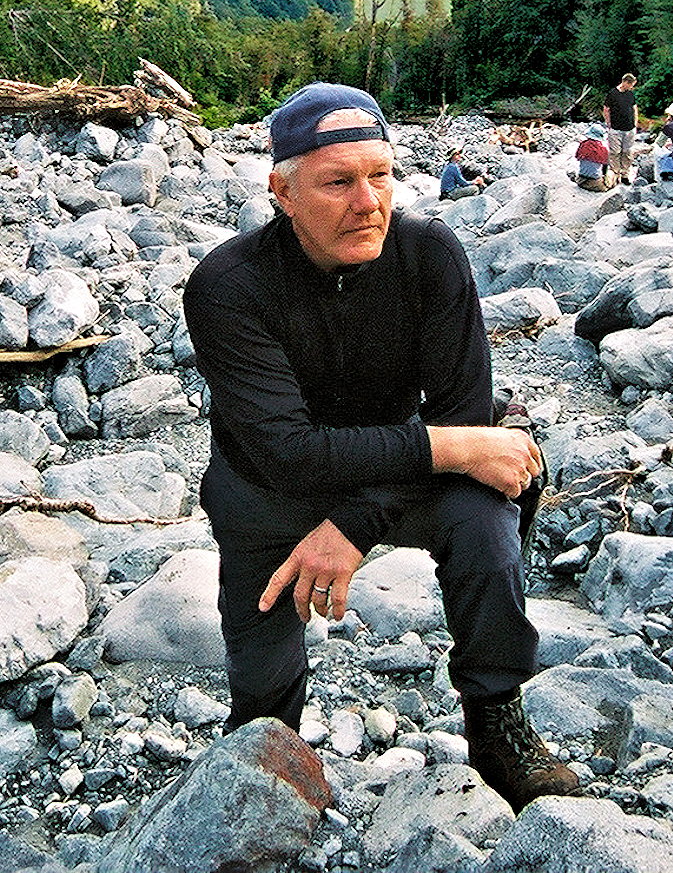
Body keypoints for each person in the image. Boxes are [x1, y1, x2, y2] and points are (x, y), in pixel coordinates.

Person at [184, 81, 579, 812]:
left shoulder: (429, 253)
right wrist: (445, 451)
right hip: (268, 491)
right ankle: (267, 746)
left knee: (487, 515)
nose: (369, 202)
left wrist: (356, 522)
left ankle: (497, 721)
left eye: (382, 175)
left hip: (399, 477)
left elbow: (465, 415)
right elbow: (288, 453)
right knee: (261, 700)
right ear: (282, 191)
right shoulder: (228, 286)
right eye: (338, 182)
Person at [603, 73, 638, 185]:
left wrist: (635, 123)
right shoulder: (612, 94)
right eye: (631, 85)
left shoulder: (630, 94)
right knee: (615, 152)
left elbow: (634, 108)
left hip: (629, 128)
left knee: (627, 152)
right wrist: (608, 123)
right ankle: (615, 174)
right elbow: (606, 109)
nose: (632, 87)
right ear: (625, 82)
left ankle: (625, 175)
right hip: (616, 128)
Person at [575, 123, 610, 191]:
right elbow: (605, 167)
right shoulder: (603, 149)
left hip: (580, 180)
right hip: (594, 182)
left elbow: (578, 157)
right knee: (611, 176)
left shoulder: (583, 145)